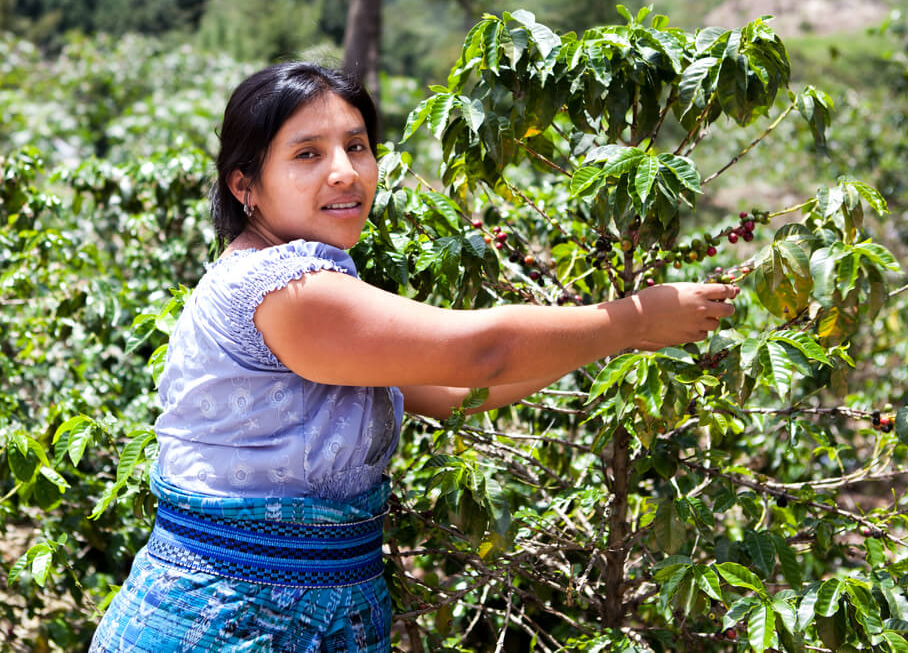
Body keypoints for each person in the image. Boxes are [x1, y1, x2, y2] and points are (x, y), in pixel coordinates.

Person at [89, 61, 739, 652]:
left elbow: (459, 391)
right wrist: (629, 321)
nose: (344, 170)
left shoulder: (317, 282)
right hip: (226, 625)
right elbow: (482, 354)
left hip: (303, 620)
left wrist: (610, 335)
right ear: (245, 185)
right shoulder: (282, 290)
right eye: (307, 153)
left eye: (357, 146)